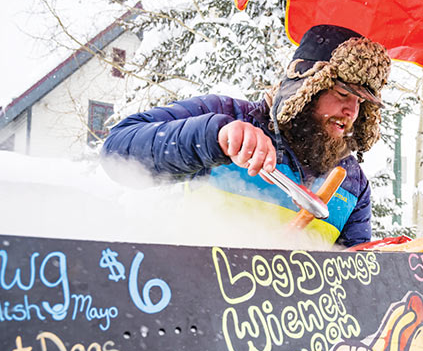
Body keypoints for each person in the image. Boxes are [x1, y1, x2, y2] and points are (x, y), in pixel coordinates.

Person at [102, 24, 391, 248]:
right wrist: (214, 137)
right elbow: (116, 152)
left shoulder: (353, 182)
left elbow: (354, 279)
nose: (352, 111)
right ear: (306, 87)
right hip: (196, 309)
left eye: (362, 102)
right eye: (342, 93)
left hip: (292, 321)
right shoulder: (224, 115)